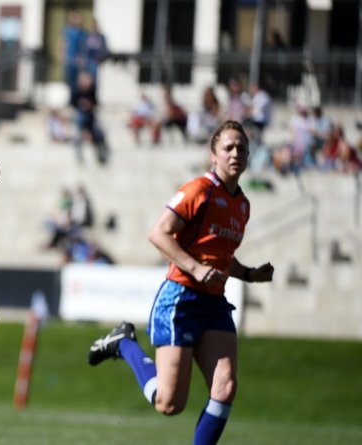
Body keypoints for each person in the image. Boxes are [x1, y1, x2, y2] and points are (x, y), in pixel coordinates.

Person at [86, 120, 275, 445]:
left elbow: (219, 256)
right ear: (213, 154)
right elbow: (158, 233)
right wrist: (195, 269)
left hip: (214, 303)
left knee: (226, 387)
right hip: (181, 299)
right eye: (228, 147)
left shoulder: (242, 204)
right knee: (169, 403)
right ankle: (124, 344)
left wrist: (248, 274)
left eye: (242, 148)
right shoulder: (198, 190)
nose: (235, 153)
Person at [62, 11, 86, 106]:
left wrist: (81, 57)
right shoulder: (67, 30)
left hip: (76, 60)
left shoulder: (81, 32)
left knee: (77, 81)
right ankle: (71, 99)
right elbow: (64, 43)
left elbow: (82, 46)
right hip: (69, 59)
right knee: (70, 80)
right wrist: (63, 54)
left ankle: (76, 99)